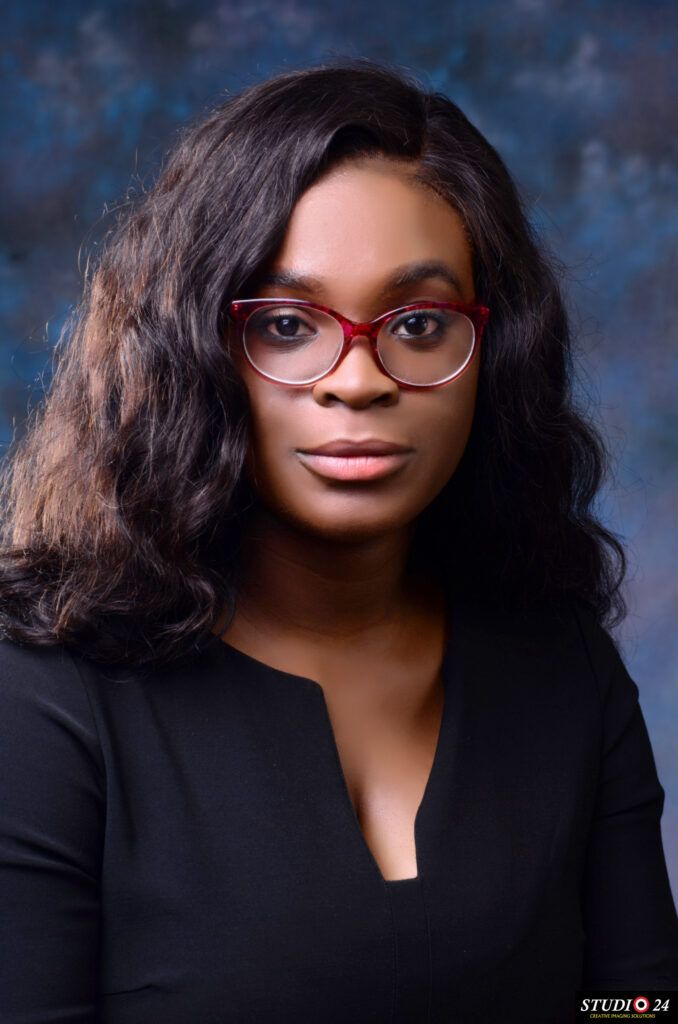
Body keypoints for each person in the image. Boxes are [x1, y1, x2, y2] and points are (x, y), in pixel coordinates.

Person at [0, 57, 676, 1024]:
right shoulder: (41, 697)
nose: (357, 380)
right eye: (283, 323)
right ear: (191, 347)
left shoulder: (565, 669)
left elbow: (638, 1005)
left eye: (418, 322)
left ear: (496, 351)